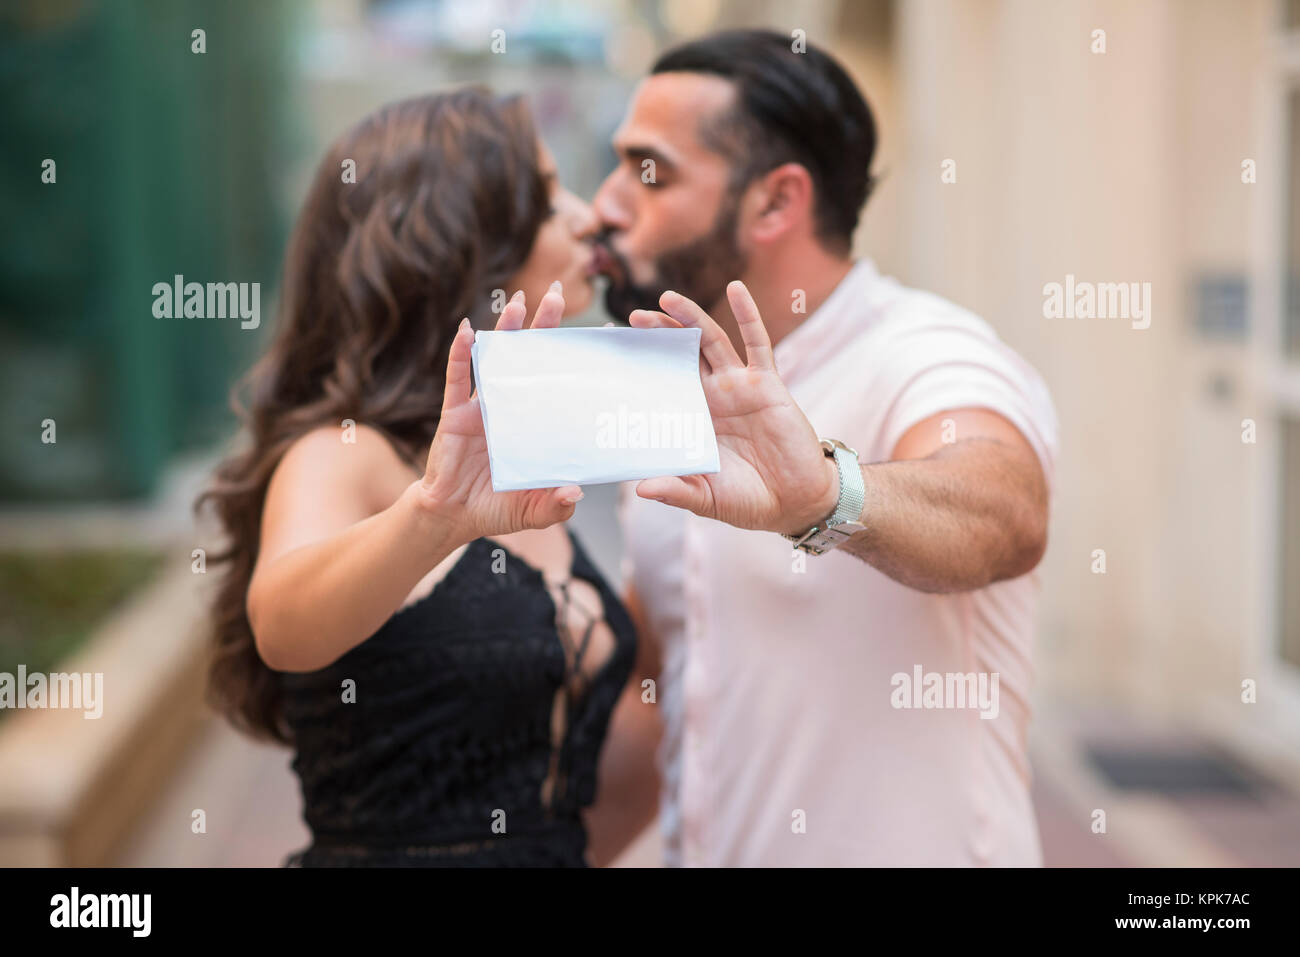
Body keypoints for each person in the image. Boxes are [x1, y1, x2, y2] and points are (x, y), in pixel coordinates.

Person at [590, 30, 1060, 866]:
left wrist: (825, 497)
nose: (606, 204)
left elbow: (1005, 512)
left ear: (776, 203)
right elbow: (660, 692)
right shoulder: (668, 386)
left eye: (649, 171)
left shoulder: (930, 351)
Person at [198, 88, 650, 866]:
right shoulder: (343, 451)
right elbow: (282, 624)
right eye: (546, 201)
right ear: (456, 244)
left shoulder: (509, 452)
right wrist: (433, 518)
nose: (586, 217)